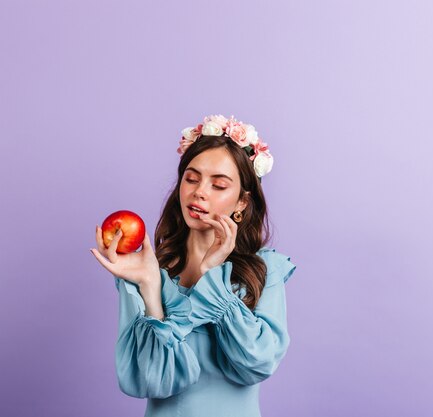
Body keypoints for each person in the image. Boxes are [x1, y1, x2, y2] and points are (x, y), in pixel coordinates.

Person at [90, 114, 296, 417]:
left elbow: (257, 362)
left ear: (241, 202)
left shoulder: (266, 270)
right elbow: (146, 379)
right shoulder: (148, 268)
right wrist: (149, 288)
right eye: (191, 178)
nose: (200, 191)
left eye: (219, 185)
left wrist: (210, 274)